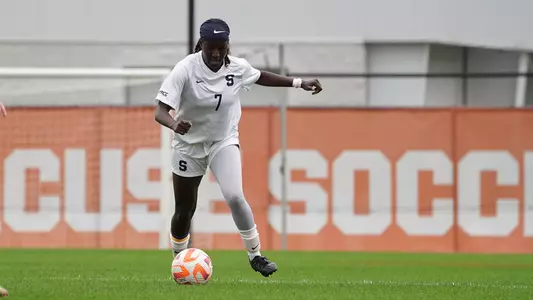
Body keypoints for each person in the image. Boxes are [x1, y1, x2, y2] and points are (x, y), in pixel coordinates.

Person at [154, 18, 322, 278]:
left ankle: (255, 256)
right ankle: (180, 259)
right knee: (185, 209)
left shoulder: (237, 67)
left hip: (223, 140)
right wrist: (174, 124)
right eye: (211, 47)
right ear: (202, 44)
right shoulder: (185, 68)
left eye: (222, 47)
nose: (216, 53)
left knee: (234, 195)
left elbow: (261, 76)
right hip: (188, 145)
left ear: (228, 45)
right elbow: (160, 111)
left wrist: (299, 83)